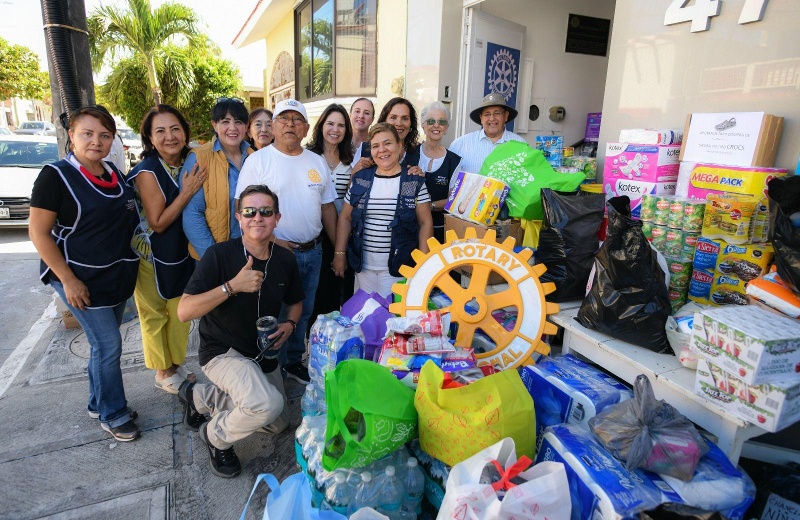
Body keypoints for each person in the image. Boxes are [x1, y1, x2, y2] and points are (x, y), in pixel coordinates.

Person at [29, 105, 141, 441]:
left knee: (99, 345)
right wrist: (68, 279)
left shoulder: (113, 174)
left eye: (105, 135)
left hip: (114, 277)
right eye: (88, 134)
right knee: (108, 344)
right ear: (72, 136)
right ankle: (113, 412)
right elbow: (38, 233)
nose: (97, 141)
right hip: (78, 278)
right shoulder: (55, 176)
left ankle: (99, 401)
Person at [177, 184, 302, 478]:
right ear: (239, 217)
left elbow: (296, 303)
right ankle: (215, 436)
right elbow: (184, 311)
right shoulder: (219, 256)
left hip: (261, 353)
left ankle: (200, 397)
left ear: (277, 218)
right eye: (249, 211)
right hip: (223, 352)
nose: (257, 217)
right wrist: (231, 286)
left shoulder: (284, 259)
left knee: (276, 420)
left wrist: (290, 324)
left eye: (266, 212)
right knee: (265, 404)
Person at [235, 99, 337, 385]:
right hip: (274, 253)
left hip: (313, 252)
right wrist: (273, 240)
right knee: (274, 313)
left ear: (305, 128)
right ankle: (272, 367)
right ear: (274, 125)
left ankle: (293, 362)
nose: (290, 124)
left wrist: (338, 250)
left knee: (302, 312)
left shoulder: (316, 161)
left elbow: (328, 208)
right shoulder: (258, 160)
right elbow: (242, 208)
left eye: (296, 119)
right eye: (284, 118)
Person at [128, 105, 206, 394]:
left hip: (180, 251)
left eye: (175, 129)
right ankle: (163, 370)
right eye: (159, 131)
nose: (169, 136)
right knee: (155, 313)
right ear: (149, 137)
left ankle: (175, 363)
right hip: (151, 255)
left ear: (185, 132)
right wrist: (186, 192)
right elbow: (158, 222)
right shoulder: (147, 171)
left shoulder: (189, 161)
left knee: (179, 310)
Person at [333, 123, 433, 299]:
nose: (382, 150)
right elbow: (345, 218)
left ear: (399, 146)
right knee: (366, 317)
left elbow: (425, 222)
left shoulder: (413, 181)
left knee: (390, 318)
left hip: (398, 267)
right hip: (363, 266)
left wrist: (423, 264)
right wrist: (339, 253)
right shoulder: (361, 179)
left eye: (387, 143)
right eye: (375, 146)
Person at [182, 98, 253, 259]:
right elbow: (192, 214)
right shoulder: (200, 158)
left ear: (246, 126)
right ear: (215, 125)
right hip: (212, 255)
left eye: (238, 122)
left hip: (249, 252)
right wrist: (214, 259)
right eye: (225, 121)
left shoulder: (253, 157)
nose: (232, 128)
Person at [306, 104, 355, 320]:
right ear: (321, 126)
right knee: (314, 289)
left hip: (342, 231)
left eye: (341, 125)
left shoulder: (352, 159)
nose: (335, 129)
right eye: (330, 123)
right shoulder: (306, 156)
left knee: (337, 285)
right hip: (314, 231)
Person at [448, 93, 525, 174]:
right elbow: (448, 176)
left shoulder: (520, 144)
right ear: (481, 118)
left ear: (506, 116)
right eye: (487, 114)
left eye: (497, 113)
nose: (492, 118)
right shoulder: (460, 144)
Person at [419, 101, 462, 243]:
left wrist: (429, 206)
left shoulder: (454, 161)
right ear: (423, 126)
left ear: (446, 128)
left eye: (441, 122)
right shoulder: (410, 154)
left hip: (439, 230)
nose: (436, 125)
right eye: (431, 121)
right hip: (409, 228)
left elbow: (454, 199)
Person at [357, 97, 421, 172]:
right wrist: (354, 171)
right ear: (384, 120)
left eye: (404, 118)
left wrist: (419, 178)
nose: (399, 123)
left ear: (411, 123)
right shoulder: (364, 149)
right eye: (393, 117)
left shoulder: (418, 152)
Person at [349, 97, 375, 173]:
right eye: (357, 111)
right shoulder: (339, 143)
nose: (361, 116)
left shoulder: (376, 147)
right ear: (350, 115)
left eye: (366, 113)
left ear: (372, 119)